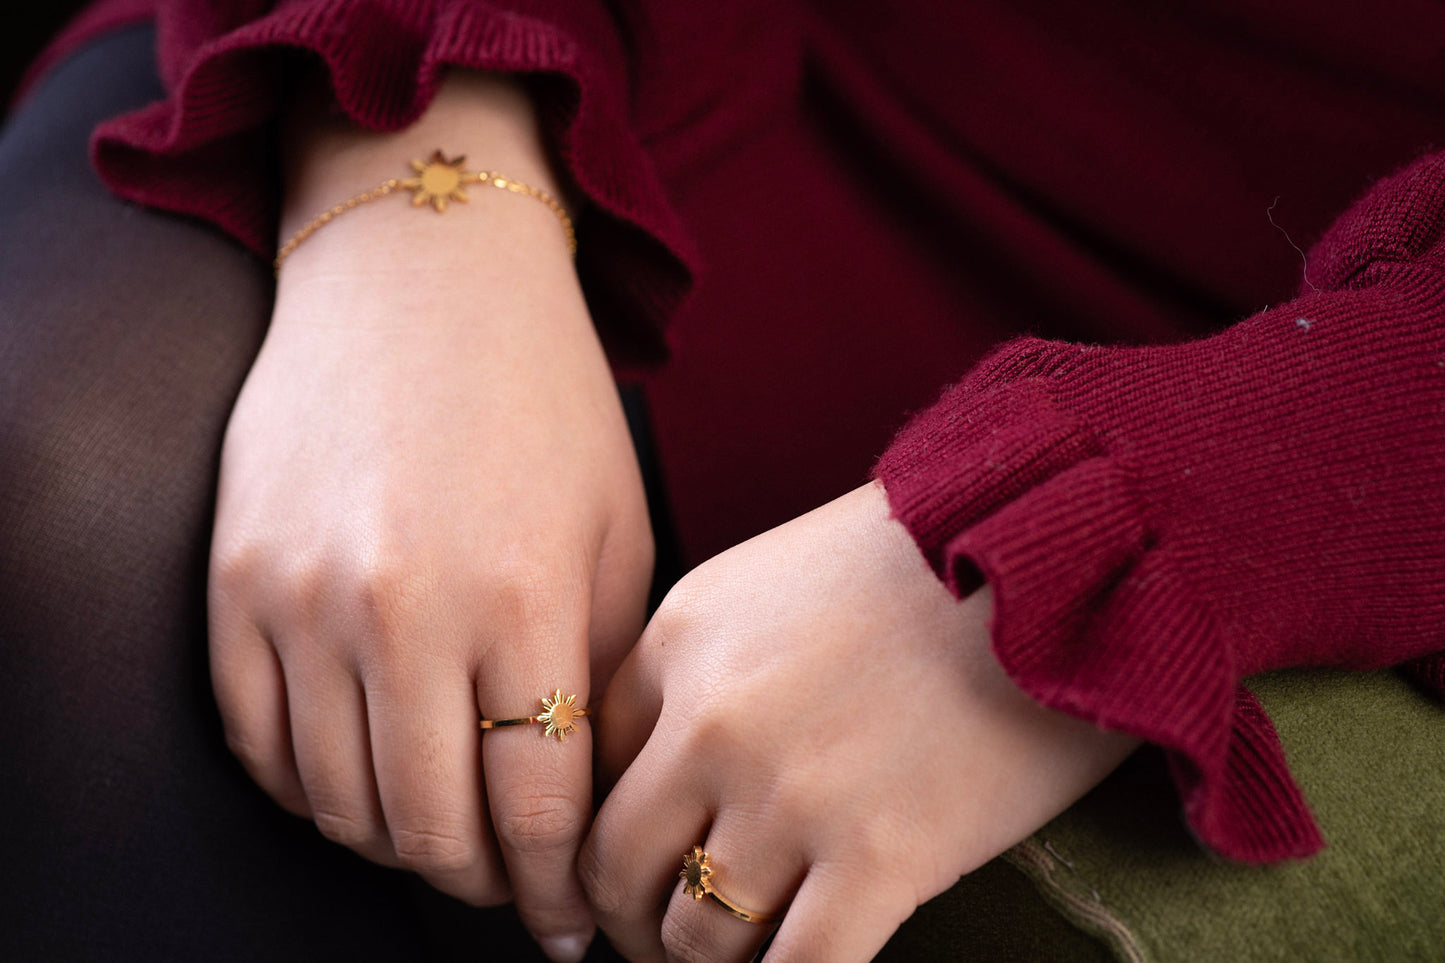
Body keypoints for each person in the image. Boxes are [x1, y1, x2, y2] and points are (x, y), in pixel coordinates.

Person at [3, 2, 1443, 961]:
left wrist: (1124, 513)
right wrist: (421, 161)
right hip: (667, 67)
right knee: (68, 494)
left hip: (1294, 317)